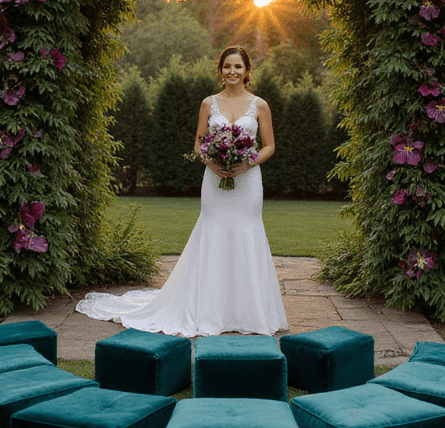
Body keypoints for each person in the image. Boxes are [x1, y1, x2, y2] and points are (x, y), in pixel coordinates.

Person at [75, 46, 288, 337]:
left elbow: (269, 146)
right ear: (220, 70)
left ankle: (249, 314)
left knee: (246, 233)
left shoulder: (260, 105)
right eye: (227, 66)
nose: (232, 72)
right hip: (215, 181)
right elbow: (199, 142)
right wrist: (213, 163)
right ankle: (209, 311)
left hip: (247, 183)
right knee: (213, 231)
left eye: (238, 67)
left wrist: (245, 164)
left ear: (247, 71)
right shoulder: (208, 103)